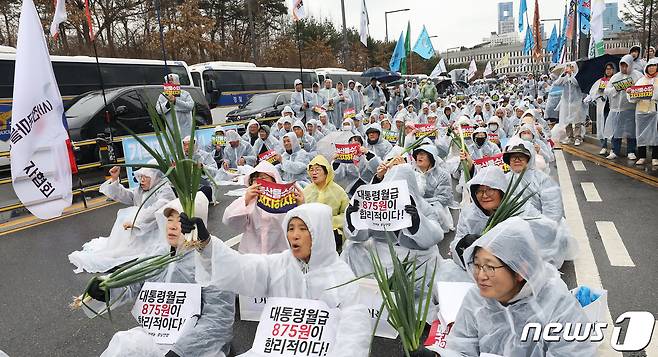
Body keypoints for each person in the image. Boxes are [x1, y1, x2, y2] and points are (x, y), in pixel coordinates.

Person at [191, 203, 372, 357]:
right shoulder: (281, 264)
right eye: (291, 228)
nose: (294, 235)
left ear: (321, 233)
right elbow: (243, 267)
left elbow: (354, 331)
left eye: (303, 229)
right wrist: (207, 245)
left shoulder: (341, 276)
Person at [87, 193, 235, 357]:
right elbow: (133, 282)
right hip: (157, 335)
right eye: (170, 219)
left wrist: (180, 352)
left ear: (196, 224)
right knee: (125, 344)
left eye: (180, 221)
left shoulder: (211, 262)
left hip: (196, 344)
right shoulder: (158, 254)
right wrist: (108, 287)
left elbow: (219, 319)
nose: (171, 226)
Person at [444, 218, 597, 356]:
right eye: (477, 265)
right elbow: (461, 347)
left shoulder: (557, 305)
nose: (480, 276)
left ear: (520, 270)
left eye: (490, 267)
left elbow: (573, 352)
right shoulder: (477, 298)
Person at [342, 163, 444, 279]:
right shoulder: (380, 204)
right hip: (381, 251)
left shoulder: (424, 207)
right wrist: (353, 219)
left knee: (431, 258)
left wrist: (417, 222)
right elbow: (361, 236)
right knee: (351, 249)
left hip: (413, 255)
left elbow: (436, 236)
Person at [69, 164, 176, 273]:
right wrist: (115, 179)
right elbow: (127, 195)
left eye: (146, 177)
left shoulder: (164, 190)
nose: (142, 180)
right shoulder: (141, 190)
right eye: (141, 177)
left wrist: (135, 221)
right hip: (138, 230)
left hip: (155, 233)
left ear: (155, 178)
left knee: (129, 252)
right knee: (117, 249)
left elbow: (156, 209)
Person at [223, 161, 291, 254]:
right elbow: (228, 219)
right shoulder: (249, 198)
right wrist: (246, 201)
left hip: (279, 254)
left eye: (263, 178)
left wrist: (300, 204)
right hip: (251, 254)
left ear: (274, 179)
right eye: (255, 179)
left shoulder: (286, 199)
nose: (259, 182)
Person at [503, 141, 564, 222]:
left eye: (521, 157)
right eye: (513, 157)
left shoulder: (543, 180)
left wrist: (543, 228)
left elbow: (553, 211)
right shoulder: (503, 179)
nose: (517, 160)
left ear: (529, 159)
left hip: (538, 227)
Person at [301, 156, 350, 251]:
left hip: (332, 230)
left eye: (317, 170)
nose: (314, 173)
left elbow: (346, 213)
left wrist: (330, 221)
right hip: (311, 230)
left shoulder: (338, 191)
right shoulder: (306, 191)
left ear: (326, 172)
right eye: (311, 170)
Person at [603, 54, 642, 160]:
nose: (624, 68)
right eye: (622, 66)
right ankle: (615, 150)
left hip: (631, 108)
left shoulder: (637, 76)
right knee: (616, 130)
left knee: (631, 131)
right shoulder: (615, 77)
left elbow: (641, 90)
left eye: (626, 66)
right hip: (616, 109)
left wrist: (630, 90)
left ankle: (631, 151)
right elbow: (607, 90)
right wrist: (616, 89)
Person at [412, 144, 454, 232]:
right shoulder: (411, 172)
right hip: (413, 206)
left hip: (434, 207)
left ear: (431, 157)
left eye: (423, 154)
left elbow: (444, 199)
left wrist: (421, 203)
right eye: (418, 154)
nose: (419, 156)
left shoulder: (442, 175)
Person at [628, 58, 658, 166]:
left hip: (654, 111)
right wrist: (630, 93)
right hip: (641, 111)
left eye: (653, 66)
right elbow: (633, 97)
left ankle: (655, 157)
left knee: (655, 134)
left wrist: (653, 95)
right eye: (649, 66)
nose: (651, 68)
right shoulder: (641, 80)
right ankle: (642, 156)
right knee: (640, 134)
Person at [553, 63, 586, 146]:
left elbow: (577, 84)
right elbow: (557, 83)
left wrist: (572, 75)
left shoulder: (577, 76)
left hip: (576, 101)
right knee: (567, 120)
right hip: (566, 102)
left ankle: (577, 137)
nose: (569, 68)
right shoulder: (565, 77)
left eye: (571, 67)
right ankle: (570, 137)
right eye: (568, 67)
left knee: (577, 120)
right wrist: (564, 74)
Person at [587, 62, 616, 155]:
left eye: (610, 69)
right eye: (607, 69)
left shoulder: (616, 79)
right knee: (602, 127)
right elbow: (593, 93)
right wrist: (600, 94)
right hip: (603, 107)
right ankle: (604, 146)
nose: (608, 71)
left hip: (613, 107)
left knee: (612, 127)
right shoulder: (601, 81)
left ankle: (613, 148)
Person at [156, 73, 195, 138]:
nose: (170, 82)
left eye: (172, 80)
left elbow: (190, 106)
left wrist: (176, 102)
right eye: (169, 80)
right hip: (172, 131)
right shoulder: (162, 96)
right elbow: (159, 110)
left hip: (186, 129)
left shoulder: (185, 94)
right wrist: (168, 103)